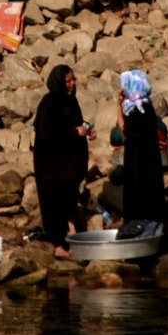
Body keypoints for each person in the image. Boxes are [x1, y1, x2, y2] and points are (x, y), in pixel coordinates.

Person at [33, 64, 95, 259]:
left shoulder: (71, 101)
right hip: (51, 164)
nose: (72, 84)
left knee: (69, 196)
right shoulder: (50, 103)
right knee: (54, 201)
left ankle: (72, 233)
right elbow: (47, 132)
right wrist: (73, 132)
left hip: (68, 164)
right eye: (68, 81)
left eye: (73, 80)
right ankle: (58, 244)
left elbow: (76, 122)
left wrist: (87, 128)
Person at [116, 69, 165, 222]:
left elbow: (125, 131)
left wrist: (118, 107)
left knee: (137, 200)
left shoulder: (135, 109)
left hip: (138, 164)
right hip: (150, 162)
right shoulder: (147, 106)